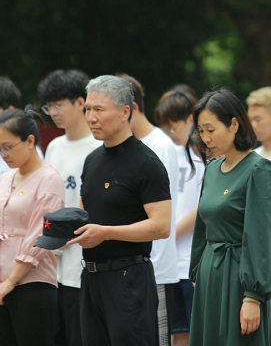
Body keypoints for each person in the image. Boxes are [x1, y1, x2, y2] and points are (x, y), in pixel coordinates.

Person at [67, 75, 171, 346]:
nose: (91, 118)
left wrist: (106, 233)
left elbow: (161, 226)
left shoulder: (146, 163)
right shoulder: (92, 160)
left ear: (125, 112)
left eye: (99, 110)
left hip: (129, 279)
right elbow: (85, 214)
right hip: (90, 278)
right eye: (88, 109)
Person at [189, 88, 271, 346]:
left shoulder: (258, 168)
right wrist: (197, 271)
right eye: (201, 131)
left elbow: (261, 235)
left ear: (234, 124)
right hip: (210, 276)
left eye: (211, 129)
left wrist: (253, 296)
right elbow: (202, 227)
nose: (206, 138)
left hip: (240, 278)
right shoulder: (212, 168)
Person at [0, 108, 65, 346]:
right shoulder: (5, 179)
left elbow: (40, 236)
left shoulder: (49, 179)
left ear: (30, 141)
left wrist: (10, 282)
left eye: (8, 147)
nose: (3, 155)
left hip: (31, 285)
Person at [37, 69, 102, 346]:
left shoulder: (98, 147)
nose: (53, 113)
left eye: (58, 105)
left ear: (80, 103)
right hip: (52, 265)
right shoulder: (54, 147)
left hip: (81, 263)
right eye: (48, 106)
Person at [119, 74, 180, 346]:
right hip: (125, 266)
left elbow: (162, 217)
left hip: (154, 268)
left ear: (129, 109)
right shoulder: (118, 147)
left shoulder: (160, 146)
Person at [154, 90, 205, 346]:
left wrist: (166, 231)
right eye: (165, 128)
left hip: (191, 263)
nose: (170, 133)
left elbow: (202, 207)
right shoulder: (163, 155)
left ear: (190, 119)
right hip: (167, 265)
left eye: (173, 126)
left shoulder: (201, 158)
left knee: (198, 332)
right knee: (177, 333)